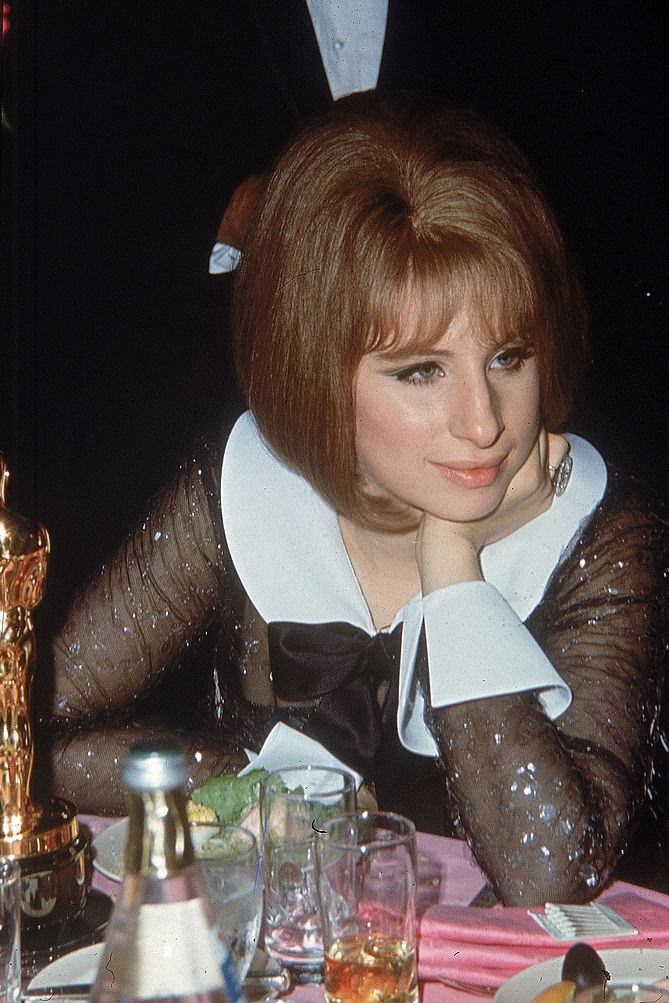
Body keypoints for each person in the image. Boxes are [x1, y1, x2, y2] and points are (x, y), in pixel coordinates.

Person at [44, 92, 667, 907]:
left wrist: (452, 568)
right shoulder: (246, 488)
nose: (483, 423)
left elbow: (550, 868)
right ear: (312, 370)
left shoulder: (600, 528)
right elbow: (28, 730)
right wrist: (244, 786)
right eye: (420, 371)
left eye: (509, 358)